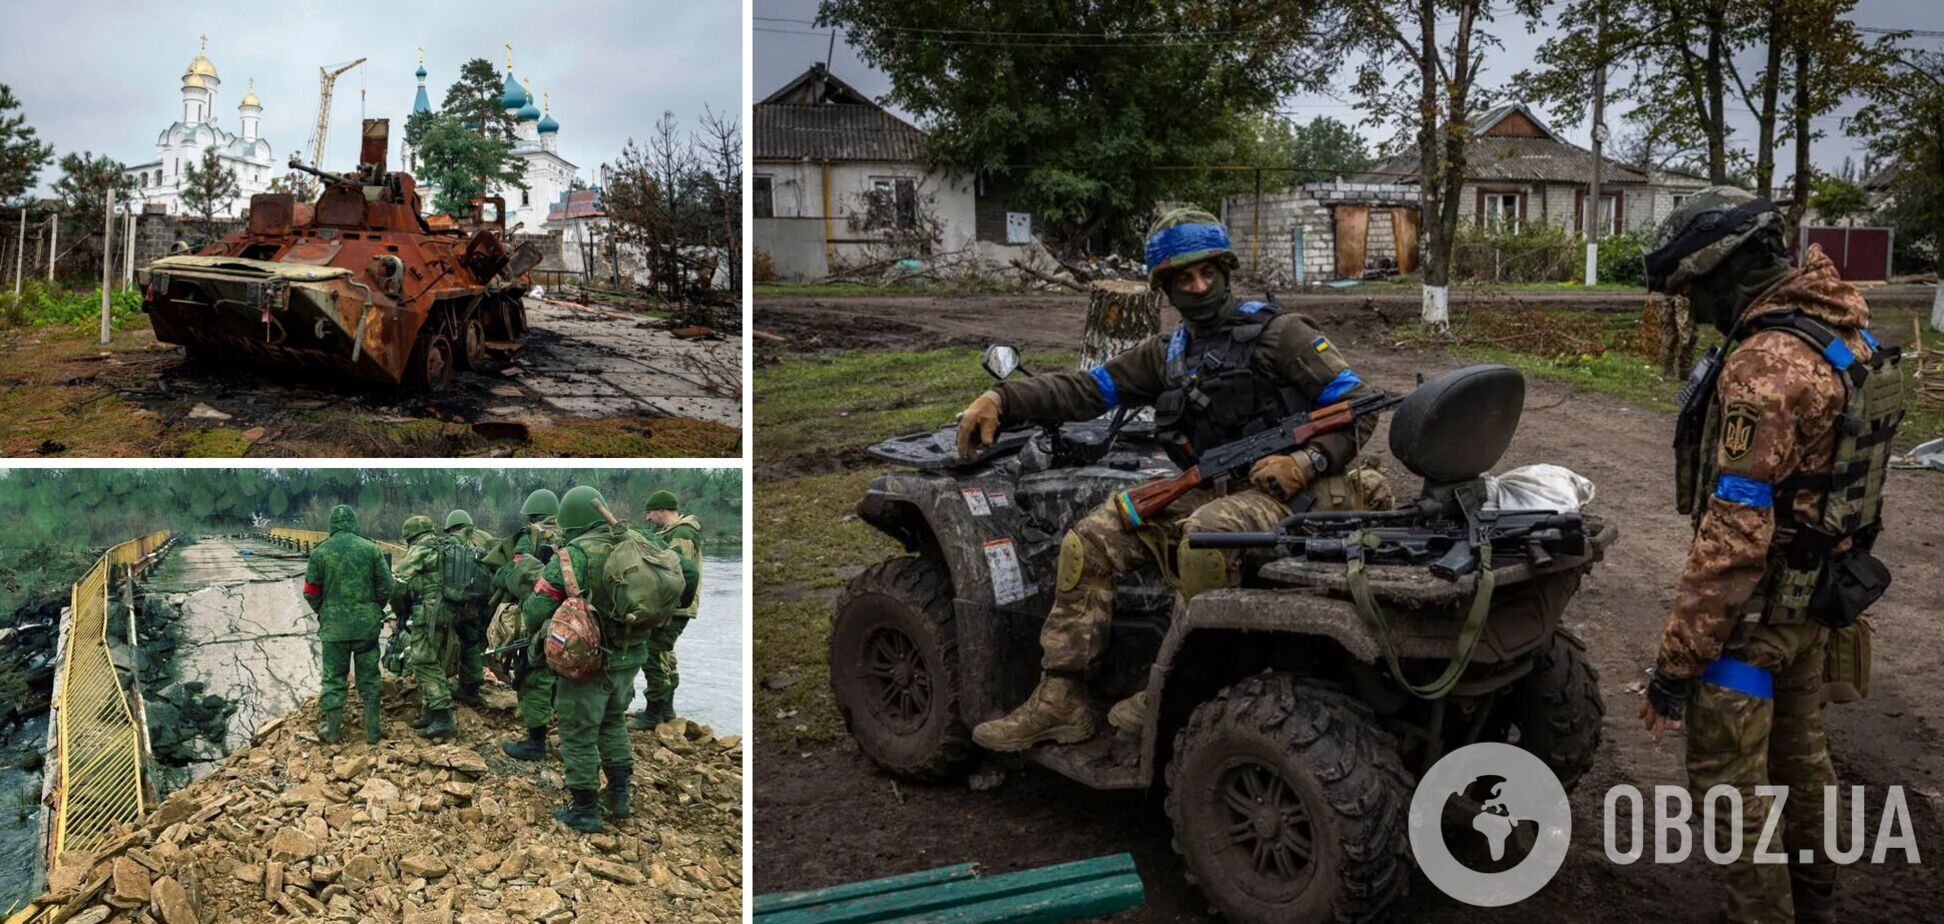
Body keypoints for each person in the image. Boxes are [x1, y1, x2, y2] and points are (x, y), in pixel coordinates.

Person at [956, 208, 1391, 752]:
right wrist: (1003, 397)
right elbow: (1086, 391)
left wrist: (1307, 461)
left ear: (1225, 269)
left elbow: (1359, 406)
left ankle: (1177, 686)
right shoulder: (1170, 355)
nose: (1199, 286)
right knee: (1091, 538)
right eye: (1183, 278)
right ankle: (1060, 700)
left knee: (1205, 538)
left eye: (1208, 272)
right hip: (1214, 488)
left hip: (1299, 495)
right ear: (1165, 287)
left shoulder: (1282, 336)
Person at [1638, 187, 1905, 924]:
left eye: (1695, 290)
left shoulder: (1766, 362)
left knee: (1732, 792)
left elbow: (1732, 538)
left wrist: (1675, 666)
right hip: (1816, 604)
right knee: (1800, 763)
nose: (1693, 310)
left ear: (1733, 271)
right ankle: (1816, 903)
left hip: (1751, 625)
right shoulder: (1844, 331)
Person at [523, 485, 697, 832]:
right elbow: (688, 573)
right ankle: (619, 797)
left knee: (578, 731)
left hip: (586, 662)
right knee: (613, 721)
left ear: (572, 522)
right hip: (631, 655)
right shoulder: (641, 540)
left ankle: (585, 809)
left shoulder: (574, 555)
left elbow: (535, 609)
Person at [301, 504, 396, 745]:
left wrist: (324, 611)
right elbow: (386, 586)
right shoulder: (371, 549)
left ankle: (332, 731)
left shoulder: (320, 552)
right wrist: (374, 608)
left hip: (334, 630)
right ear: (354, 522)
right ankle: (372, 731)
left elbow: (311, 591)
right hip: (366, 628)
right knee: (370, 677)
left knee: (333, 678)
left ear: (332, 525)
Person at [494, 488, 563, 761]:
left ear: (532, 514)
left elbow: (515, 571)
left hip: (540, 613)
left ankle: (535, 743)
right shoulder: (571, 534)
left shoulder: (530, 537)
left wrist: (498, 578)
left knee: (533, 675)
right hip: (573, 620)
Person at [630, 489, 703, 730]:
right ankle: (667, 711)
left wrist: (667, 609)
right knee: (666, 656)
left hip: (674, 609)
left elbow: (679, 575)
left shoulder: (682, 534)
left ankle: (652, 714)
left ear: (662, 511)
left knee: (653, 654)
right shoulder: (670, 533)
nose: (648, 518)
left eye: (650, 512)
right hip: (673, 607)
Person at [392, 514, 457, 740]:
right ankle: (430, 713)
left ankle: (443, 716)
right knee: (434, 659)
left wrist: (398, 609)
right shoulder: (445, 546)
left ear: (411, 536)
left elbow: (398, 581)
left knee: (422, 661)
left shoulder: (420, 550)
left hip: (428, 615)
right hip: (449, 613)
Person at [442, 509, 498, 708]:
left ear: (451, 527)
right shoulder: (487, 537)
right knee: (480, 641)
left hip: (467, 603)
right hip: (490, 600)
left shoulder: (454, 540)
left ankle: (470, 689)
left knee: (468, 643)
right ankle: (475, 679)